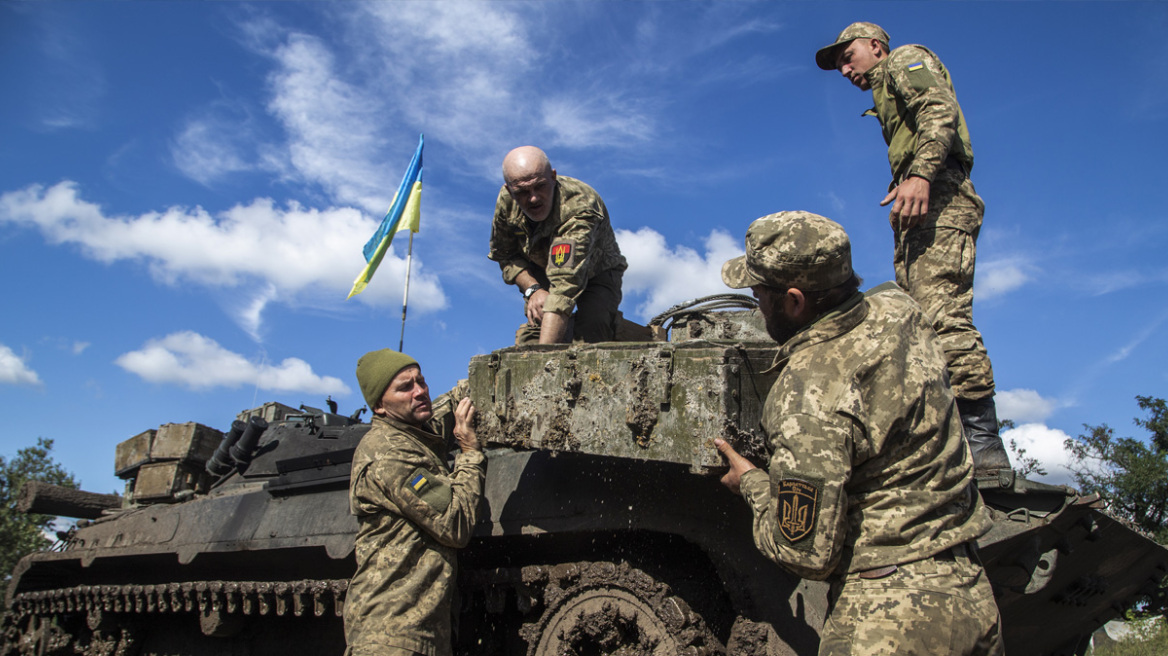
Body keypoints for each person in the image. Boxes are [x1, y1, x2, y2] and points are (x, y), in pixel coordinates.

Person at [715, 212, 1003, 655]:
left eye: (759, 295)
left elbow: (805, 553)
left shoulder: (808, 389)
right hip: (972, 597)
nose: (757, 307)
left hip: (888, 621)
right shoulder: (902, 310)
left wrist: (752, 483)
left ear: (794, 302)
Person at [815, 22, 1010, 472]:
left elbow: (938, 110)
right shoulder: (885, 91)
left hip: (941, 198)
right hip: (922, 206)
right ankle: (949, 444)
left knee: (943, 319)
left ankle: (983, 447)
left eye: (848, 57)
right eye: (839, 65)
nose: (845, 70)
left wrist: (920, 175)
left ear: (875, 46)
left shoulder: (904, 59)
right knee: (920, 327)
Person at [344, 349, 486, 656]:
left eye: (420, 381)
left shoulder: (412, 433)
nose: (420, 391)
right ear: (379, 406)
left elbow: (449, 404)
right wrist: (470, 453)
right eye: (405, 387)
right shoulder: (388, 453)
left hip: (418, 636)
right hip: (393, 637)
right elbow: (455, 523)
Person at [488, 145, 628, 345]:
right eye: (522, 192)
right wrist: (533, 289)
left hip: (597, 271)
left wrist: (544, 359)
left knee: (592, 330)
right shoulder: (506, 203)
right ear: (509, 190)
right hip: (542, 269)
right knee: (532, 337)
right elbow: (505, 254)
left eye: (540, 186)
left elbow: (564, 287)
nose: (533, 198)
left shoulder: (580, 205)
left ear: (553, 177)